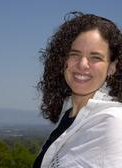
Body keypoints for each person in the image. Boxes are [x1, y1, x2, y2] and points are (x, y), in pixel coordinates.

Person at [33, 12, 122, 168]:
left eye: (95, 57)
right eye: (74, 54)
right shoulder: (68, 116)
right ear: (63, 59)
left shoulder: (113, 123)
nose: (82, 65)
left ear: (112, 67)